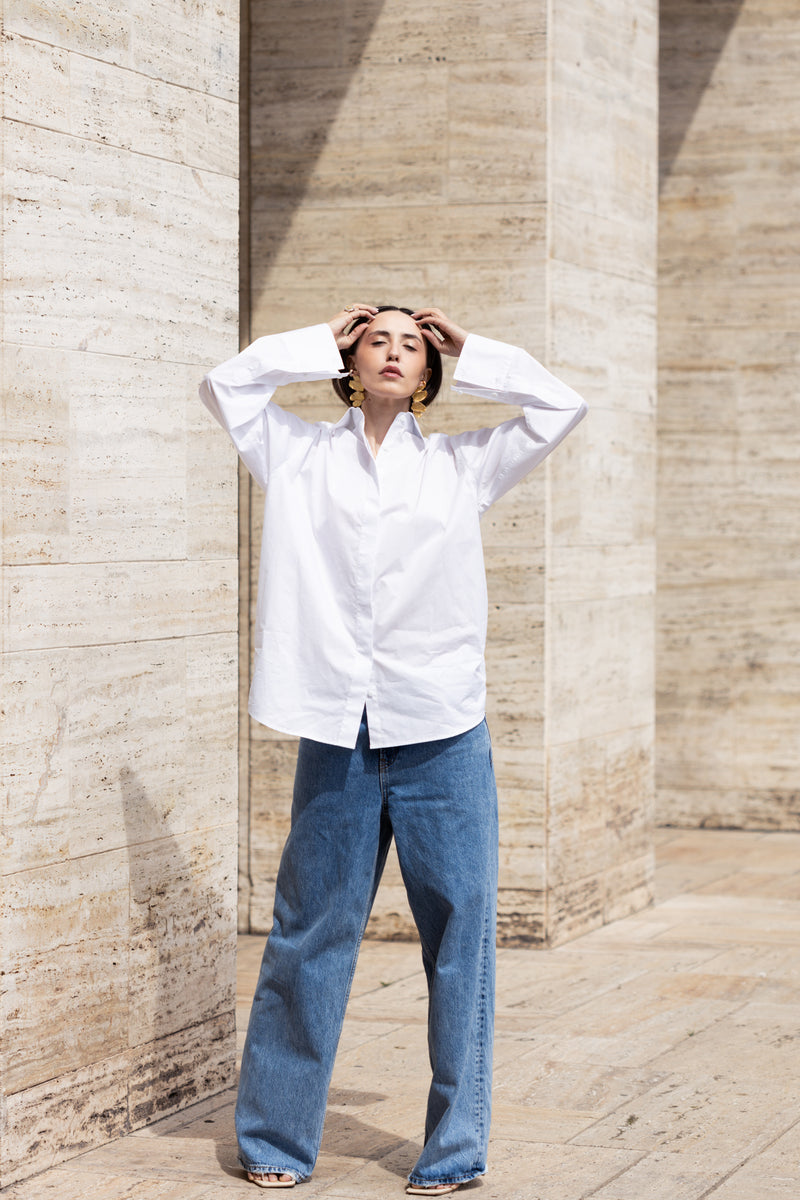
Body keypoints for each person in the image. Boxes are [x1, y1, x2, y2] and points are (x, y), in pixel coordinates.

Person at [199, 304, 587, 1194]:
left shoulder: (462, 464)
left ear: (427, 374)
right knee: (309, 936)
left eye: (412, 345)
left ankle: (454, 1151)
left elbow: (560, 406)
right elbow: (226, 385)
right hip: (338, 729)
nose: (393, 352)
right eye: (377, 339)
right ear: (350, 359)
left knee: (462, 941)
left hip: (442, 732)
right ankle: (274, 1140)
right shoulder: (294, 453)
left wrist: (474, 351)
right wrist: (313, 340)